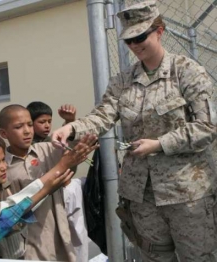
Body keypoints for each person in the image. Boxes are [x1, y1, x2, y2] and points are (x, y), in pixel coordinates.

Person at [51, 1, 217, 261]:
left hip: (187, 194)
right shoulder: (122, 81)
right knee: (153, 257)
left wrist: (159, 143)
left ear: (159, 31)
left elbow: (207, 128)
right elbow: (102, 115)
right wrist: (71, 127)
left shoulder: (187, 72)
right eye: (129, 40)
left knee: (198, 257)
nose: (135, 45)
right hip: (142, 196)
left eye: (141, 37)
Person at [0, 104, 97, 261]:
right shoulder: (3, 167)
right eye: (18, 127)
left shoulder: (45, 150)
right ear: (4, 133)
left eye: (30, 125)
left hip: (58, 234)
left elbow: (70, 149)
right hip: (28, 244)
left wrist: (70, 122)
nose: (27, 131)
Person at [27, 101, 88, 262]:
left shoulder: (52, 141)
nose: (47, 126)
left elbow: (66, 147)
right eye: (41, 122)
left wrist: (69, 122)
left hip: (63, 194)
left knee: (74, 238)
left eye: (49, 121)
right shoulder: (27, 148)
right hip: (42, 201)